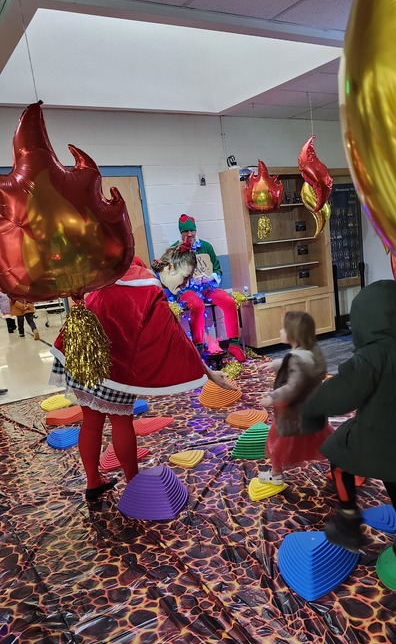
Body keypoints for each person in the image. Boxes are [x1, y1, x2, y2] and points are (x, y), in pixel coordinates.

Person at [50, 244, 235, 503]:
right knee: (121, 422)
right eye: (184, 277)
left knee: (91, 421)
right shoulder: (150, 288)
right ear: (168, 267)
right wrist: (210, 373)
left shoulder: (124, 269)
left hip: (82, 353)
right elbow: (177, 337)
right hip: (111, 365)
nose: (184, 285)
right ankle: (134, 484)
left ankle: (93, 483)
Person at [302, 280, 396, 574]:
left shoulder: (370, 358)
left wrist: (310, 408)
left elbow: (339, 396)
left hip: (378, 444)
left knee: (339, 454)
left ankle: (347, 519)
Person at [258, 311, 333, 482]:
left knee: (277, 441)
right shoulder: (311, 352)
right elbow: (299, 368)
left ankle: (276, 475)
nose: (280, 331)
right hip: (312, 409)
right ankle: (344, 463)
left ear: (293, 333)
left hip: (293, 413)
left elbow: (293, 386)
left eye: (283, 328)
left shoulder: (296, 359)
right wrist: (276, 364)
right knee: (322, 437)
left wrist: (272, 397)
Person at [174, 214, 245, 362]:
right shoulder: (175, 250)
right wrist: (187, 280)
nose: (189, 234)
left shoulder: (206, 247)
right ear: (181, 233)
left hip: (206, 287)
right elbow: (171, 277)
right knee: (197, 305)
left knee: (228, 301)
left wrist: (210, 277)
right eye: (185, 231)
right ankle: (199, 347)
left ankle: (233, 344)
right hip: (187, 291)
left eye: (192, 230)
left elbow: (217, 270)